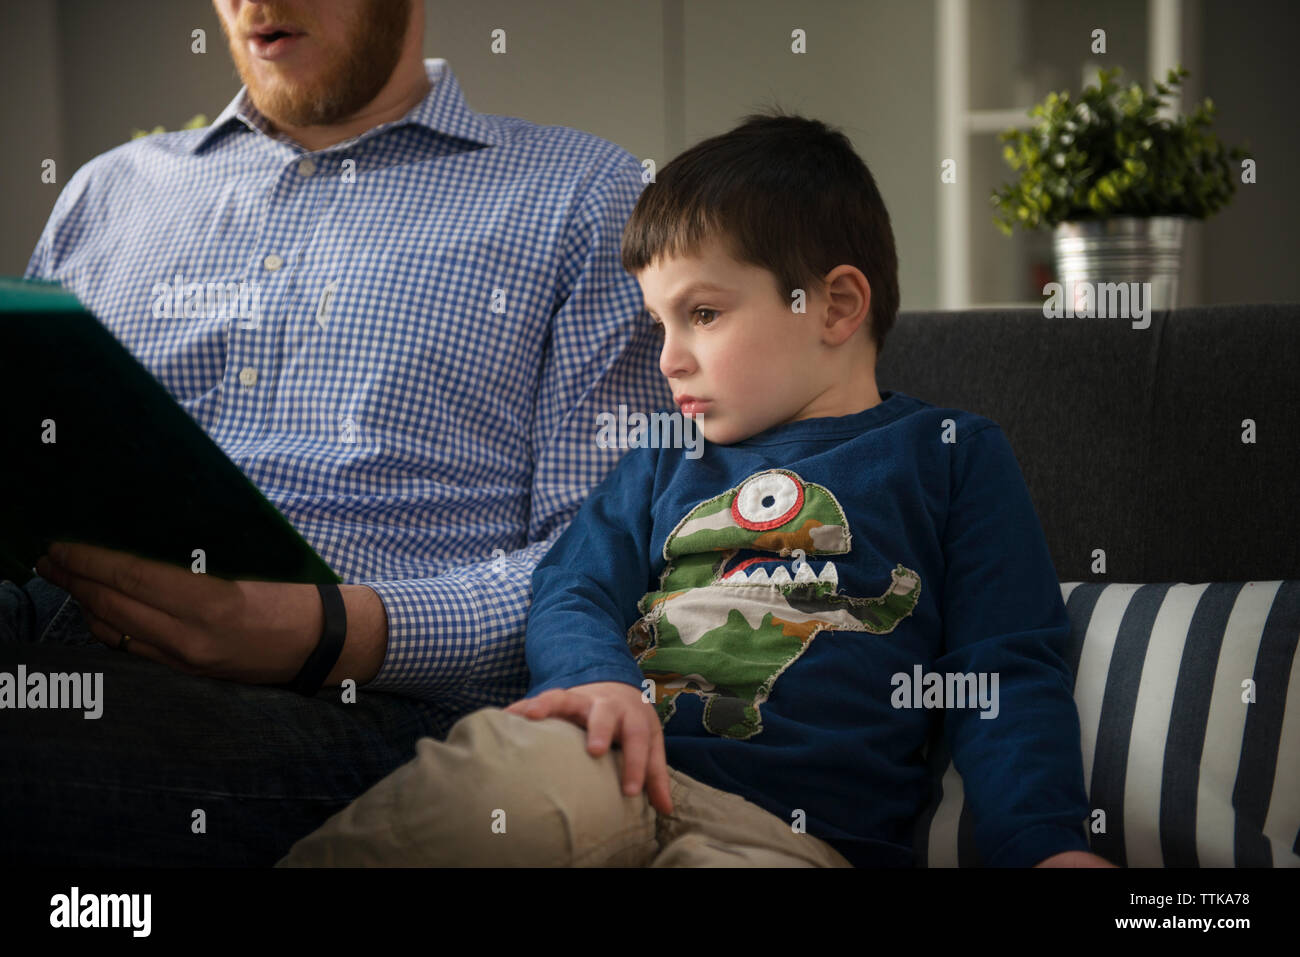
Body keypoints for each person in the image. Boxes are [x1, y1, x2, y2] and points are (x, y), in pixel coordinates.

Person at [280, 112, 1117, 868]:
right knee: (497, 788)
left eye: (704, 314)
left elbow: (1003, 668)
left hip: (799, 839)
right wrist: (597, 680)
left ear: (834, 304)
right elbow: (571, 588)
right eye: (659, 324)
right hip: (608, 770)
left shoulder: (949, 454)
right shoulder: (663, 455)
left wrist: (1043, 849)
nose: (668, 358)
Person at [0, 0, 669, 865]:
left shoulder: (585, 196)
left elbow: (599, 562)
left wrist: (328, 629)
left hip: (348, 707)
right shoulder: (107, 190)